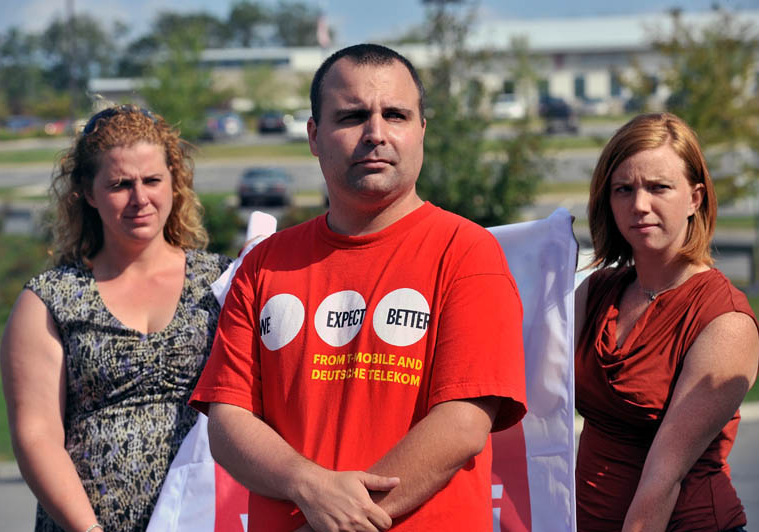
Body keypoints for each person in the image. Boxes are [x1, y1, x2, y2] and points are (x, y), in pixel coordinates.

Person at [189, 43, 527, 532]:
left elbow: (463, 424)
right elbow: (227, 423)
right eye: (351, 116)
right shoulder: (263, 266)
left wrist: (339, 521)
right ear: (313, 135)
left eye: (396, 114)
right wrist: (306, 484)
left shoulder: (468, 254)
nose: (376, 134)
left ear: (421, 131)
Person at [0, 104, 231, 532]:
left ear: (174, 183)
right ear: (88, 192)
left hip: (206, 516)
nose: (140, 198)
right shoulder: (50, 299)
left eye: (152, 180)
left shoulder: (221, 282)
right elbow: (36, 435)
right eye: (120, 184)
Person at [575, 112, 759, 531]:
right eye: (624, 189)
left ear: (695, 198)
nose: (639, 205)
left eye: (658, 187)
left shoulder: (723, 319)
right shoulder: (596, 292)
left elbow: (663, 477)